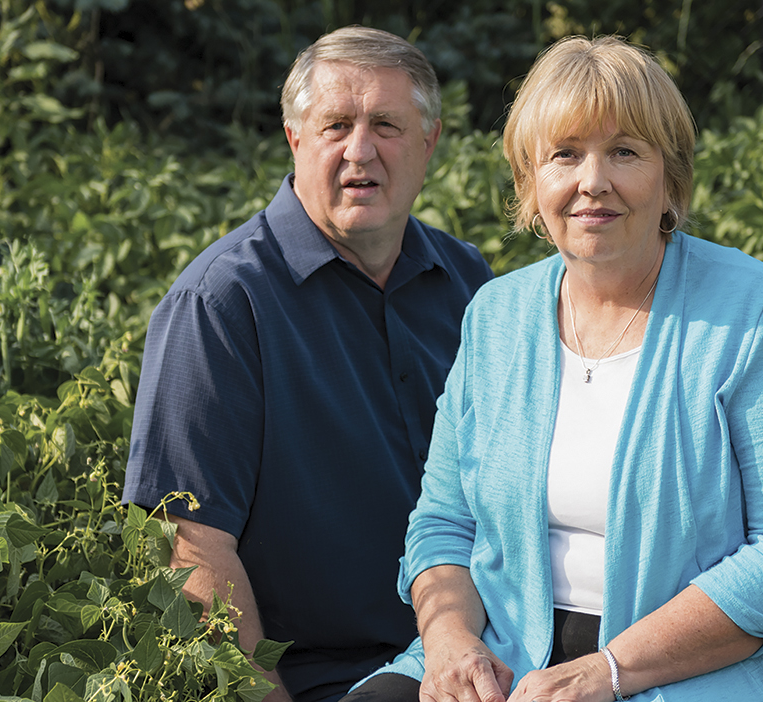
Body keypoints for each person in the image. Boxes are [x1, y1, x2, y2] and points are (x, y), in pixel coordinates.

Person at [345, 36, 763, 702]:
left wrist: (610, 670)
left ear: (669, 178)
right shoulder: (497, 316)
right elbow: (444, 521)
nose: (591, 181)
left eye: (624, 151)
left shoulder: (753, 311)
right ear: (531, 181)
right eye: (565, 154)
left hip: (707, 664)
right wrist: (452, 644)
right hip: (514, 650)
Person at [122, 26, 495, 702]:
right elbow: (193, 549)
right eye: (335, 125)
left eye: (386, 124)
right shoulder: (222, 303)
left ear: (428, 142)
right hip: (326, 680)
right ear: (295, 138)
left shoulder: (469, 283)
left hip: (486, 655)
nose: (361, 150)